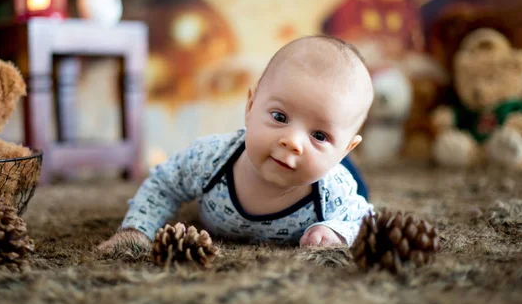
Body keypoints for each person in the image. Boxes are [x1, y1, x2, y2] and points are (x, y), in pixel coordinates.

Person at [98, 35, 374, 252]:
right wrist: (136, 230)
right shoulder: (210, 157)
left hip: (333, 175)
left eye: (319, 135)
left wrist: (337, 230)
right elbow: (163, 184)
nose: (292, 141)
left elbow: (363, 218)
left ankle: (346, 162)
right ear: (251, 106)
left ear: (346, 148)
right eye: (279, 117)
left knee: (358, 190)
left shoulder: (334, 189)